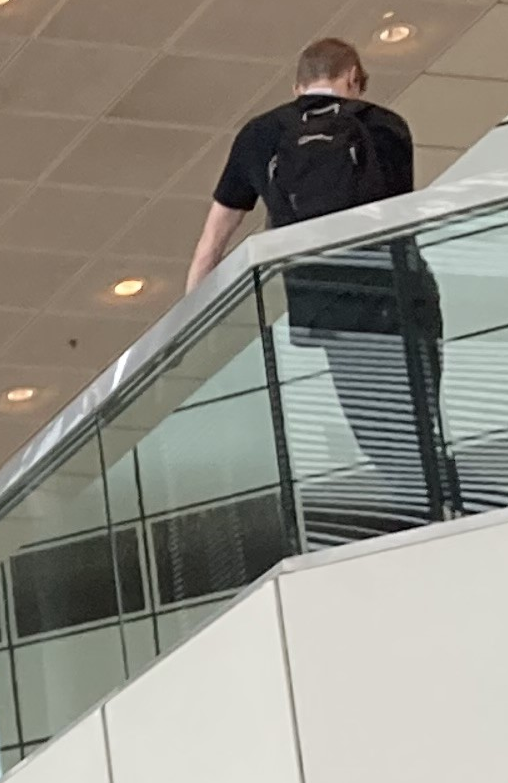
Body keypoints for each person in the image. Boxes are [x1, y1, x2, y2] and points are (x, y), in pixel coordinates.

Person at [188, 36, 443, 513]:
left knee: (378, 435)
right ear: (352, 78)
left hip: (326, 309)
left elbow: (210, 247)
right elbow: (400, 218)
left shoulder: (260, 135)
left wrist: (194, 333)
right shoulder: (386, 127)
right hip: (398, 298)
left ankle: (424, 513)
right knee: (421, 427)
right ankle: (449, 510)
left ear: (297, 84)